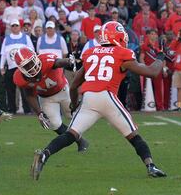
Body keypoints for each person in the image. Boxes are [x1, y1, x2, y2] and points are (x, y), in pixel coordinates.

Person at [31, 21, 167, 180]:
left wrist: (74, 104)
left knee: (71, 135)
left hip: (89, 98)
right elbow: (152, 72)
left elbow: (74, 85)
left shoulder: (91, 52)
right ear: (118, 36)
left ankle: (44, 155)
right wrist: (160, 57)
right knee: (133, 135)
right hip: (107, 96)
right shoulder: (123, 53)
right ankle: (151, 166)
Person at [12, 47, 88, 151]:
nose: (31, 67)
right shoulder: (20, 78)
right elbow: (29, 95)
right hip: (46, 98)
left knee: (72, 116)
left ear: (35, 57)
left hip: (63, 91)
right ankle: (80, 141)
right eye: (26, 66)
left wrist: (68, 61)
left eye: (31, 62)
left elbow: (58, 62)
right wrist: (39, 113)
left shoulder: (45, 60)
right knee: (54, 124)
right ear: (20, 68)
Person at [0, 18, 34, 114]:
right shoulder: (6, 39)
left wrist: (31, 65)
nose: (15, 27)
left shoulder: (26, 38)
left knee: (24, 89)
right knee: (10, 90)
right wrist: (1, 67)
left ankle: (27, 109)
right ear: (11, 27)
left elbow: (32, 51)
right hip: (10, 67)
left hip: (23, 68)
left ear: (20, 27)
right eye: (13, 26)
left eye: (16, 25)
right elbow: (3, 54)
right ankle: (12, 109)